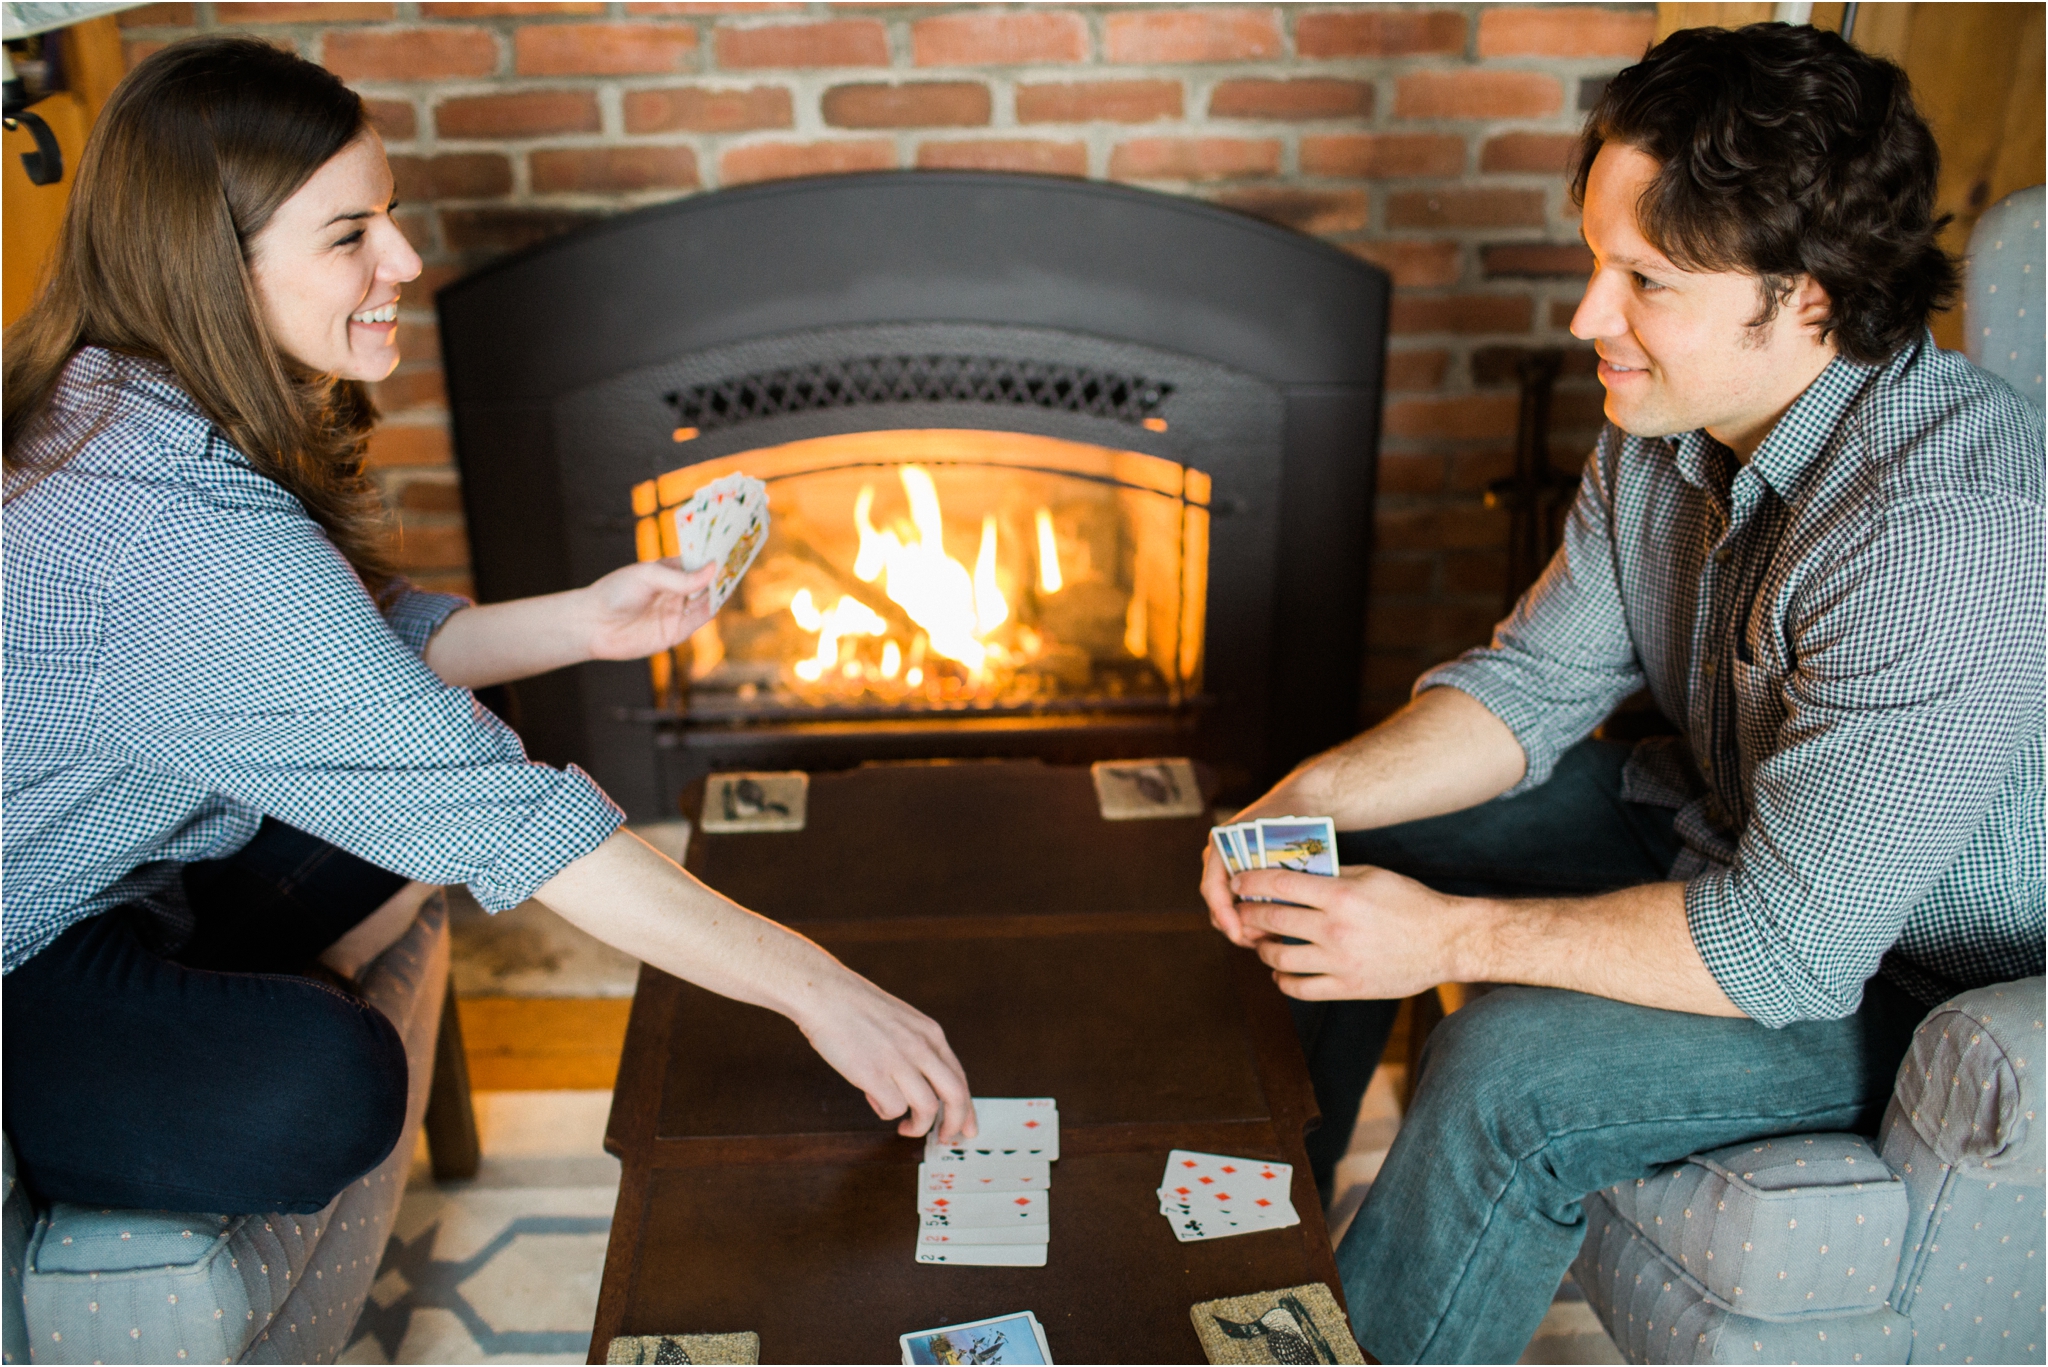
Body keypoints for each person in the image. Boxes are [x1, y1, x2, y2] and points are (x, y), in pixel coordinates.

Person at [1, 35, 973, 1217]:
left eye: (389, 214)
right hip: (27, 950)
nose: (405, 257)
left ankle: (220, 992)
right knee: (329, 1085)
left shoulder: (122, 386)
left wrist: (586, 619)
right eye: (351, 235)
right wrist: (823, 989)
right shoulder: (170, 532)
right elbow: (514, 819)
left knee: (463, 722)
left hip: (126, 862)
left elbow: (334, 650)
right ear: (213, 269)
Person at [1199, 24, 2043, 1363]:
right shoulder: (1669, 428)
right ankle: (1242, 1243)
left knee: (1505, 1073)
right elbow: (1530, 687)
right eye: (1600, 260)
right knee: (1334, 836)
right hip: (1720, 831)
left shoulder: (1942, 530)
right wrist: (1302, 799)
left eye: (1645, 279)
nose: (1590, 317)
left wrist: (1444, 939)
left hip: (1908, 980)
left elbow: (1790, 944)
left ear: (1810, 294)